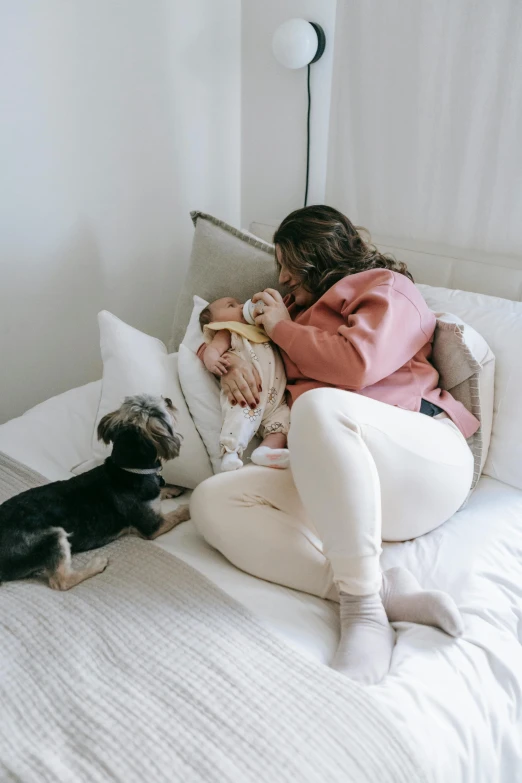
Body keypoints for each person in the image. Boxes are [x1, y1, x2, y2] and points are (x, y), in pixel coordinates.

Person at [190, 205, 477, 684]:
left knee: (319, 408)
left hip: (422, 460)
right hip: (345, 488)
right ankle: (376, 590)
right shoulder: (294, 316)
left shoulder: (385, 288)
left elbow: (356, 366)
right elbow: (223, 327)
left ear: (319, 253)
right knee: (213, 501)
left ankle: (363, 616)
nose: (281, 277)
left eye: (289, 263)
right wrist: (223, 357)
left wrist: (282, 327)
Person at [197, 297, 290, 471]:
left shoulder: (260, 328)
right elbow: (213, 349)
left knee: (283, 423)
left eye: (239, 303)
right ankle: (230, 453)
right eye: (231, 306)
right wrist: (213, 362)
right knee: (239, 416)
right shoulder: (228, 330)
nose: (240, 306)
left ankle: (265, 452)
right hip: (247, 392)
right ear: (215, 322)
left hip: (277, 401)